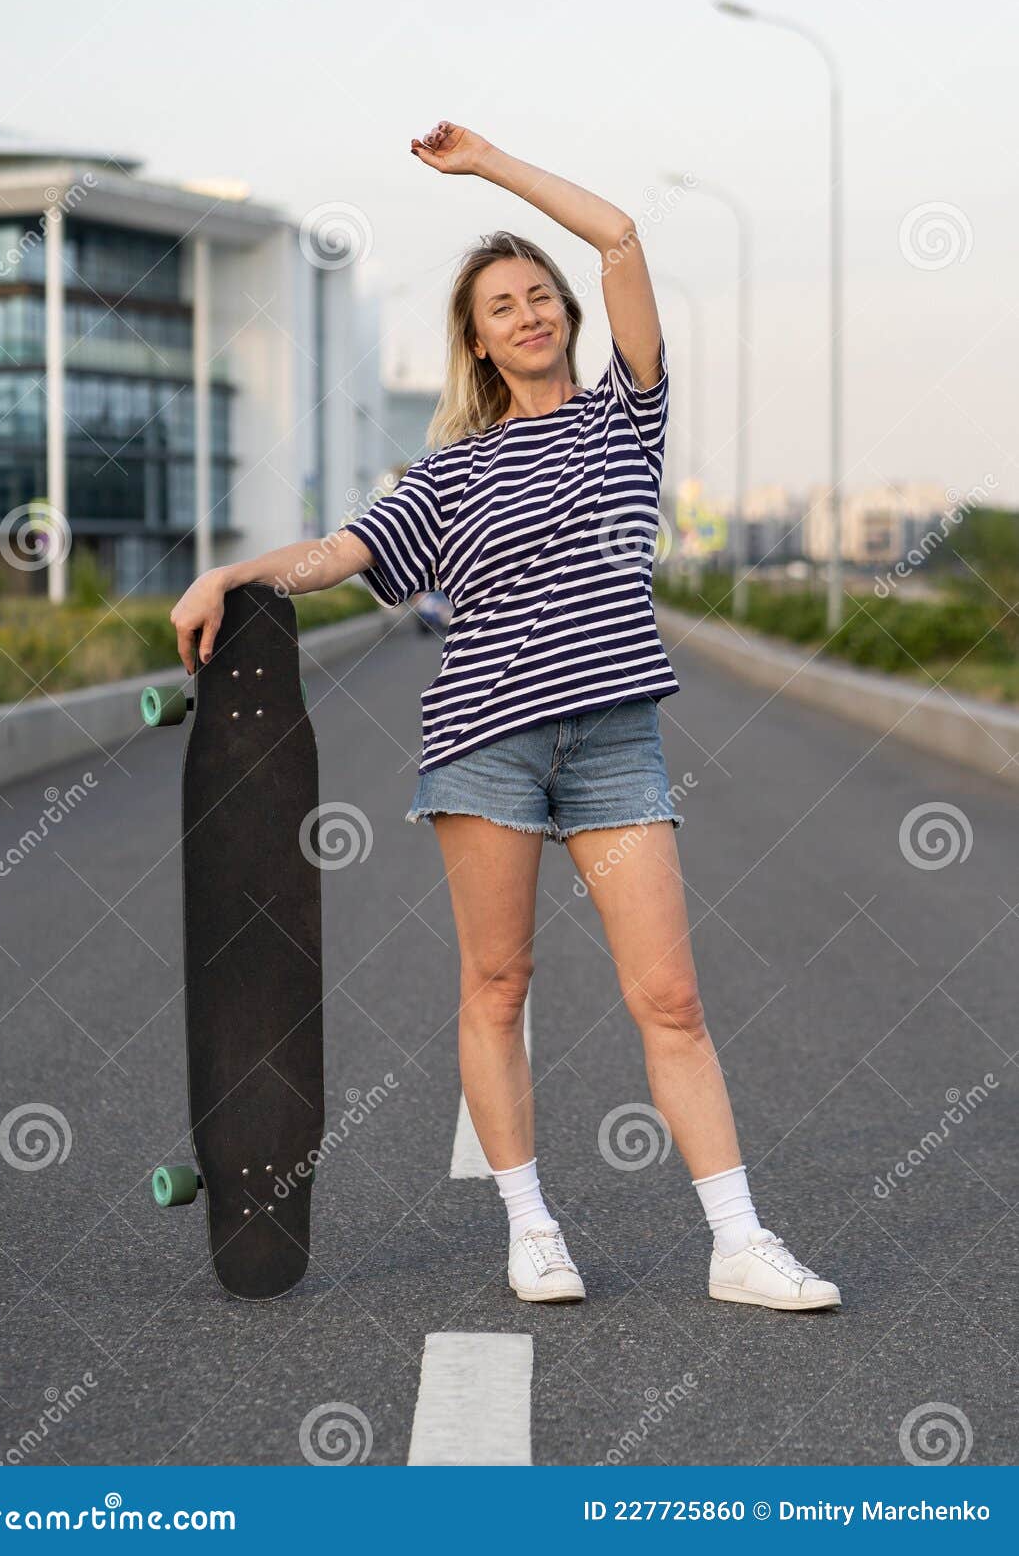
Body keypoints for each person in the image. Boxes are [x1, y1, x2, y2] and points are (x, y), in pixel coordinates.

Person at [170, 120, 841, 1314]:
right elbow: (339, 552)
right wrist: (232, 577)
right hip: (484, 742)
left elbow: (623, 238)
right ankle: (530, 1225)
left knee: (670, 998)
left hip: (616, 742)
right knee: (497, 984)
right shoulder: (446, 473)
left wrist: (488, 169)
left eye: (540, 293)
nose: (528, 312)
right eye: (500, 304)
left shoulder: (623, 418)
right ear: (475, 340)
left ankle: (736, 1240)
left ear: (567, 317)